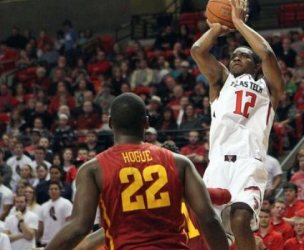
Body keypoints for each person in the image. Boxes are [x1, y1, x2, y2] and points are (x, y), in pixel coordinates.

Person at [40, 93, 229, 250]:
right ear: (146, 123)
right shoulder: (180, 162)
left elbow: (79, 227)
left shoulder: (93, 168)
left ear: (111, 123)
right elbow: (209, 219)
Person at [191, 0, 285, 248]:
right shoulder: (222, 80)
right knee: (210, 231)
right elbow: (198, 51)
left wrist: (239, 23)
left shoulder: (269, 88)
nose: (236, 58)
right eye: (233, 56)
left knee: (241, 219)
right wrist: (216, 29)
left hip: (249, 162)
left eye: (243, 56)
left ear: (255, 66)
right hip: (218, 163)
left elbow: (266, 53)